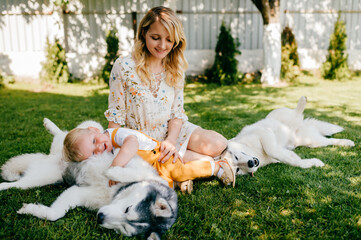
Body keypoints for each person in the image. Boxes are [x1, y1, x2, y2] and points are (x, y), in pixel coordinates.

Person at [104, 6, 234, 188]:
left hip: (173, 133)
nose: (162, 46)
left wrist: (171, 141)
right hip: (144, 143)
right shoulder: (123, 66)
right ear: (144, 33)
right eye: (155, 38)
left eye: (169, 40)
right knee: (196, 159)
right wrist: (110, 151)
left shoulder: (175, 67)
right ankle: (199, 168)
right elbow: (116, 116)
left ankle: (194, 163)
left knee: (218, 143)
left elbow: (177, 112)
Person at [62, 126, 235, 193]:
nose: (98, 148)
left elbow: (131, 144)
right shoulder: (106, 147)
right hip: (153, 169)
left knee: (179, 170)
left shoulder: (118, 134)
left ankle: (216, 167)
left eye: (94, 141)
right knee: (162, 189)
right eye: (93, 153)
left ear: (94, 129)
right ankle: (182, 181)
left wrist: (116, 166)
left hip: (160, 156)